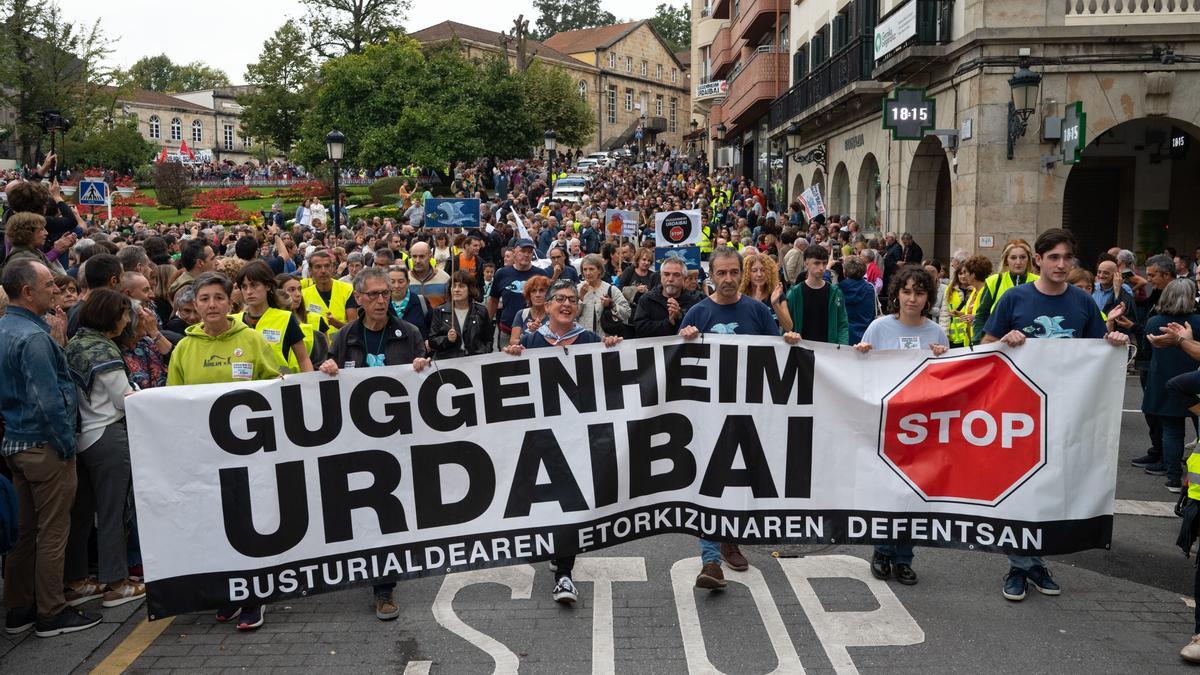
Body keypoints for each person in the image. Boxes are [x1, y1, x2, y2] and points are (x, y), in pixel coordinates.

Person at [981, 228, 1129, 602]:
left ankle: (1032, 562)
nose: (1061, 265)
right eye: (1054, 258)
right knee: (1019, 489)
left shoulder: (1081, 302)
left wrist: (1113, 342)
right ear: (1039, 261)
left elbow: (1097, 350)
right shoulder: (1014, 297)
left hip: (1065, 413)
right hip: (1017, 412)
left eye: (1067, 258)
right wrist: (1004, 341)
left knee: (1049, 490)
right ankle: (1020, 566)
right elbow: (984, 349)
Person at [679, 248, 803, 589]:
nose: (729, 279)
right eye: (722, 273)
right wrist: (684, 340)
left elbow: (776, 352)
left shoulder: (757, 310)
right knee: (710, 481)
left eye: (734, 272)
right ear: (712, 276)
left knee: (740, 477)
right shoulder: (698, 312)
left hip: (749, 409)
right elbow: (674, 360)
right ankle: (711, 561)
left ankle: (729, 539)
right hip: (708, 413)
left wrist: (788, 341)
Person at [317, 267, 430, 621]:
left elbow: (427, 382)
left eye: (386, 294)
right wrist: (328, 368)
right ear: (359, 299)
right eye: (375, 295)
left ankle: (384, 587)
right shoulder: (345, 336)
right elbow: (329, 378)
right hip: (358, 441)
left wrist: (422, 367)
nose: (382, 300)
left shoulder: (409, 333)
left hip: (398, 442)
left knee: (389, 513)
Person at [167, 272, 279, 629]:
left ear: (231, 301)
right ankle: (229, 593)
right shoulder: (184, 348)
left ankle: (254, 598)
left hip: (249, 456)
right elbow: (172, 401)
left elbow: (278, 384)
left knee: (249, 526)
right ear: (194, 305)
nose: (212, 305)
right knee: (217, 526)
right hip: (204, 457)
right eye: (204, 299)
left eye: (218, 297)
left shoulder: (252, 340)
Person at [502, 278, 623, 604]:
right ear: (549, 305)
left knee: (571, 503)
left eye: (572, 299)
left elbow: (609, 380)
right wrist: (512, 356)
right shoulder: (530, 340)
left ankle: (564, 575)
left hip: (576, 438)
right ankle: (558, 548)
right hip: (540, 438)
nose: (567, 304)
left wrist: (610, 348)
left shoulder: (589, 340)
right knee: (547, 502)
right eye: (560, 299)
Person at [0, 260, 100, 637]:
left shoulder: (7, 328)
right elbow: (49, 400)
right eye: (48, 285)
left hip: (16, 442)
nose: (55, 290)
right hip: (44, 446)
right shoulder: (33, 338)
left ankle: (19, 608)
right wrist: (65, 445)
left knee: (25, 533)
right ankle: (51, 612)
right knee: (52, 531)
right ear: (27, 291)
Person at [854, 266, 950, 586]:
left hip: (921, 426)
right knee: (887, 492)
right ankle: (882, 551)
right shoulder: (879, 328)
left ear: (928, 298)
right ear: (896, 293)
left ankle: (904, 557)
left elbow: (947, 381)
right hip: (888, 423)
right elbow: (860, 373)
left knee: (913, 495)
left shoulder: (936, 334)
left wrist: (943, 358)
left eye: (919, 293)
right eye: (906, 291)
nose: (912, 298)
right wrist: (861, 356)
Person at [63, 289, 145, 609]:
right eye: (124, 314)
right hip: (107, 436)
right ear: (111, 316)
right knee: (112, 513)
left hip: (81, 436)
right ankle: (116, 583)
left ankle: (76, 580)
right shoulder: (104, 351)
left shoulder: (76, 342)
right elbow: (123, 399)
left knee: (82, 513)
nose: (127, 320)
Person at [1139, 279, 1200, 492]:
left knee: (1172, 430)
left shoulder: (1154, 321)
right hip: (1195, 383)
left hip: (1164, 382)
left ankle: (1173, 477)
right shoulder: (1198, 321)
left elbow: (1145, 349)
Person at [233, 261, 313, 373]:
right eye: (244, 287)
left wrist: (310, 386)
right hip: (243, 387)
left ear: (268, 286)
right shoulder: (234, 321)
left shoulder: (285, 318)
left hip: (278, 386)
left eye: (254, 285)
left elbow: (303, 359)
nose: (249, 292)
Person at [971, 239, 1038, 345]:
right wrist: (978, 343)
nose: (1018, 262)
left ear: (1028, 259)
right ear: (1006, 260)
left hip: (1029, 344)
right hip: (999, 344)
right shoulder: (994, 281)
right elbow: (981, 315)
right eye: (1013, 257)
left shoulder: (1038, 281)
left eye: (1022, 257)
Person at [785, 245, 848, 344]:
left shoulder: (835, 293)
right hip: (801, 350)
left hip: (827, 352)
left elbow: (842, 324)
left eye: (824, 263)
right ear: (806, 263)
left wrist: (842, 348)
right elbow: (786, 325)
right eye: (817, 263)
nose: (822, 268)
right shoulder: (794, 293)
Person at [488, 239, 549, 340]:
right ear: (514, 252)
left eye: (529, 252)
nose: (526, 254)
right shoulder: (502, 274)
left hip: (535, 330)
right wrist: (487, 322)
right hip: (507, 331)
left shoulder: (541, 274)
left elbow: (549, 301)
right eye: (522, 251)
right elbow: (493, 299)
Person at [632, 257, 704, 338]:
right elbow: (639, 329)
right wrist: (669, 323)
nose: (670, 279)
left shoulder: (695, 300)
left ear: (684, 278)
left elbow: (701, 327)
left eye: (676, 275)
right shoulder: (647, 299)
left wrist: (680, 317)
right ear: (661, 277)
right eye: (666, 274)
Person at [428, 271, 493, 359]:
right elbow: (432, 341)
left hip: (475, 362)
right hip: (448, 361)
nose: (456, 290)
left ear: (470, 289)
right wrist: (447, 340)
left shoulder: (481, 311)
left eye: (461, 286)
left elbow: (488, 339)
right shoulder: (439, 311)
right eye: (453, 286)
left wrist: (484, 353)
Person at [301, 249, 358, 334]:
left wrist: (336, 323)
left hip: (342, 344)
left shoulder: (347, 290)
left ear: (333, 268)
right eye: (318, 267)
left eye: (327, 266)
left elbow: (353, 328)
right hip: (318, 345)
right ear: (310, 271)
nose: (323, 271)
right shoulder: (303, 295)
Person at [943, 256, 992, 348]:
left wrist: (975, 318)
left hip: (981, 342)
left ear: (973, 275)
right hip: (970, 341)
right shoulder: (974, 291)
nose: (964, 276)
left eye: (966, 272)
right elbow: (973, 314)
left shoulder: (986, 292)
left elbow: (993, 316)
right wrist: (960, 314)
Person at [578, 254, 631, 338]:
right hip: (584, 340)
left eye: (591, 269)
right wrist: (580, 297)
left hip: (608, 341)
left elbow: (627, 313)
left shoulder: (611, 289)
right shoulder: (577, 289)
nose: (588, 273)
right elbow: (571, 316)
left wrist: (612, 304)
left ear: (599, 270)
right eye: (585, 269)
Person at [740, 252, 792, 331]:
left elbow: (788, 327)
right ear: (747, 274)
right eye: (754, 270)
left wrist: (775, 304)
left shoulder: (777, 294)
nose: (759, 274)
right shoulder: (740, 296)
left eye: (763, 270)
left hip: (770, 342)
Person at [2, 212, 66, 276]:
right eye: (41, 229)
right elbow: (55, 279)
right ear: (27, 233)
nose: (46, 233)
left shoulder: (33, 251)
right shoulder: (25, 260)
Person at [839, 255, 877, 346]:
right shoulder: (870, 288)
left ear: (845, 272)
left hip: (845, 336)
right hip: (865, 335)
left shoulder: (838, 289)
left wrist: (828, 269)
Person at [387, 265, 431, 339]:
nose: (397, 286)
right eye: (392, 282)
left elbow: (432, 329)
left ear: (408, 282)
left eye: (401, 282)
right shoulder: (382, 304)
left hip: (417, 349)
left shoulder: (421, 302)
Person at [510, 275, 550, 345]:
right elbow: (513, 341)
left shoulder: (553, 314)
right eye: (533, 291)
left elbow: (559, 340)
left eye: (542, 290)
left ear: (548, 294)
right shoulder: (522, 314)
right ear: (529, 295)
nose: (537, 295)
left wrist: (541, 333)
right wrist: (531, 335)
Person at [409, 242, 450, 309]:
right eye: (414, 256)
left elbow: (450, 305)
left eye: (421, 256)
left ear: (430, 257)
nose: (417, 261)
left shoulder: (444, 278)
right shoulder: (405, 279)